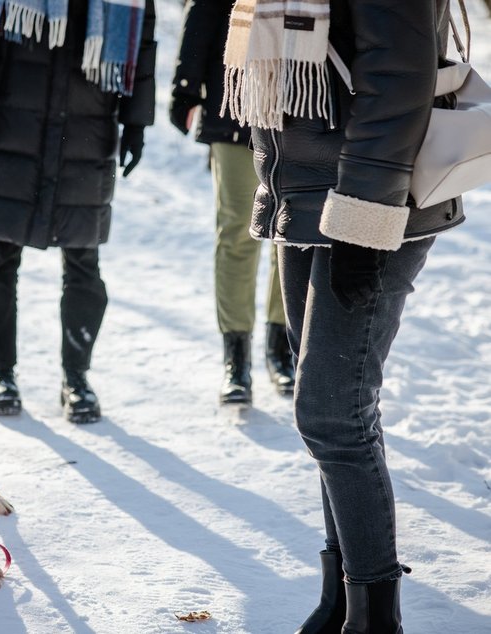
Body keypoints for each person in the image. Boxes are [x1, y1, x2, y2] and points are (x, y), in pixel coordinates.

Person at [221, 0, 463, 630]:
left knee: (331, 412)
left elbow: (401, 72)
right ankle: (342, 599)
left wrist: (361, 220)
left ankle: (374, 616)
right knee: (336, 415)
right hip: (307, 193)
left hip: (372, 206)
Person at [0, 0, 157, 423]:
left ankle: (76, 379)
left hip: (88, 125)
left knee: (83, 260)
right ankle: (0, 372)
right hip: (8, 118)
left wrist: (137, 119)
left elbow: (143, 33)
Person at [169, 0, 295, 407]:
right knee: (239, 229)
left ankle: (284, 346)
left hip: (301, 102)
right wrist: (186, 85)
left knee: (293, 231)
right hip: (235, 99)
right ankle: (236, 357)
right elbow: (204, 10)